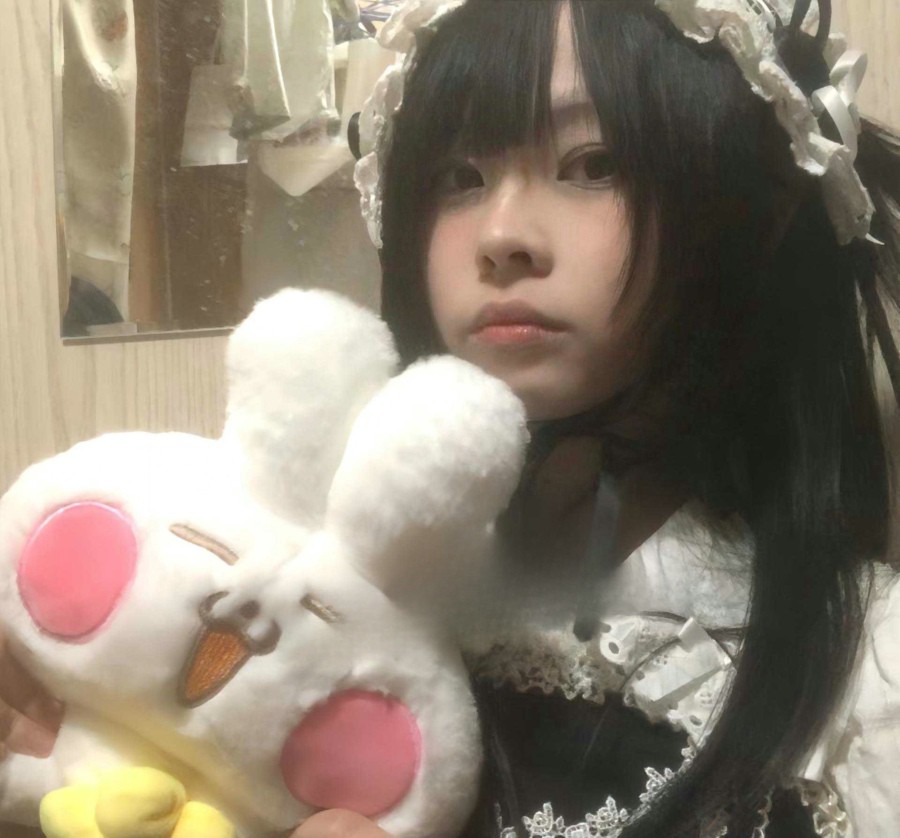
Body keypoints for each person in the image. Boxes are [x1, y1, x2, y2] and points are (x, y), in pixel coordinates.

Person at [4, 1, 900, 836]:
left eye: (595, 165)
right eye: (459, 178)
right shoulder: (293, 571)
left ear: (755, 211)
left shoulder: (866, 672)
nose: (502, 235)